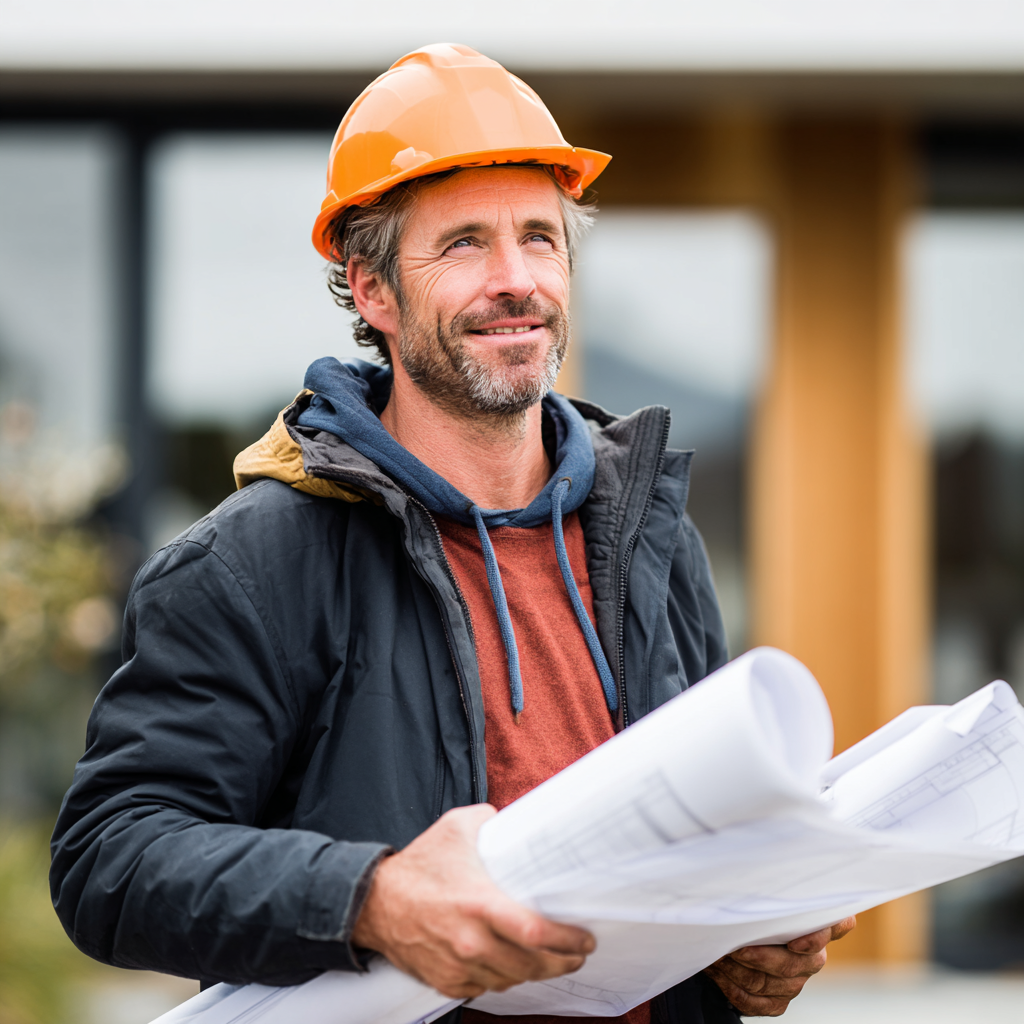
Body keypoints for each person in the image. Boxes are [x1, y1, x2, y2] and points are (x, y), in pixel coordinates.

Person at [50, 43, 853, 1024]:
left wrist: (743, 940)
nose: (514, 281)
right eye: (464, 242)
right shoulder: (253, 563)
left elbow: (702, 834)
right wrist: (371, 896)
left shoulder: (647, 531)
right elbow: (111, 858)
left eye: (539, 237)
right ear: (374, 290)